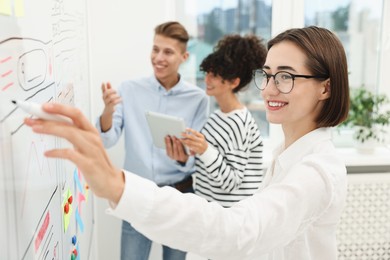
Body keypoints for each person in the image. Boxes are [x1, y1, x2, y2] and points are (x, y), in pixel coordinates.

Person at [25, 26, 350, 260]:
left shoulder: (316, 171)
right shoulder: (284, 156)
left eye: (286, 77)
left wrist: (118, 186)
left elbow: (241, 230)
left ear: (325, 88)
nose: (268, 89)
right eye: (267, 75)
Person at [96, 21, 209, 260]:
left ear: (184, 56)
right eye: (155, 49)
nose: (159, 57)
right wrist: (108, 110)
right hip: (136, 193)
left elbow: (194, 154)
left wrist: (181, 159)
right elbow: (107, 139)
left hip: (179, 195)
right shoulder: (128, 89)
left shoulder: (198, 99)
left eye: (167, 51)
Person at [165, 34, 267, 207]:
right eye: (207, 73)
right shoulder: (216, 117)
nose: (206, 80)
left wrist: (204, 149)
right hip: (211, 215)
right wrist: (184, 157)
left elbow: (231, 182)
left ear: (234, 82)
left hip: (230, 220)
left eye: (214, 75)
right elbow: (208, 165)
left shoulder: (239, 123)